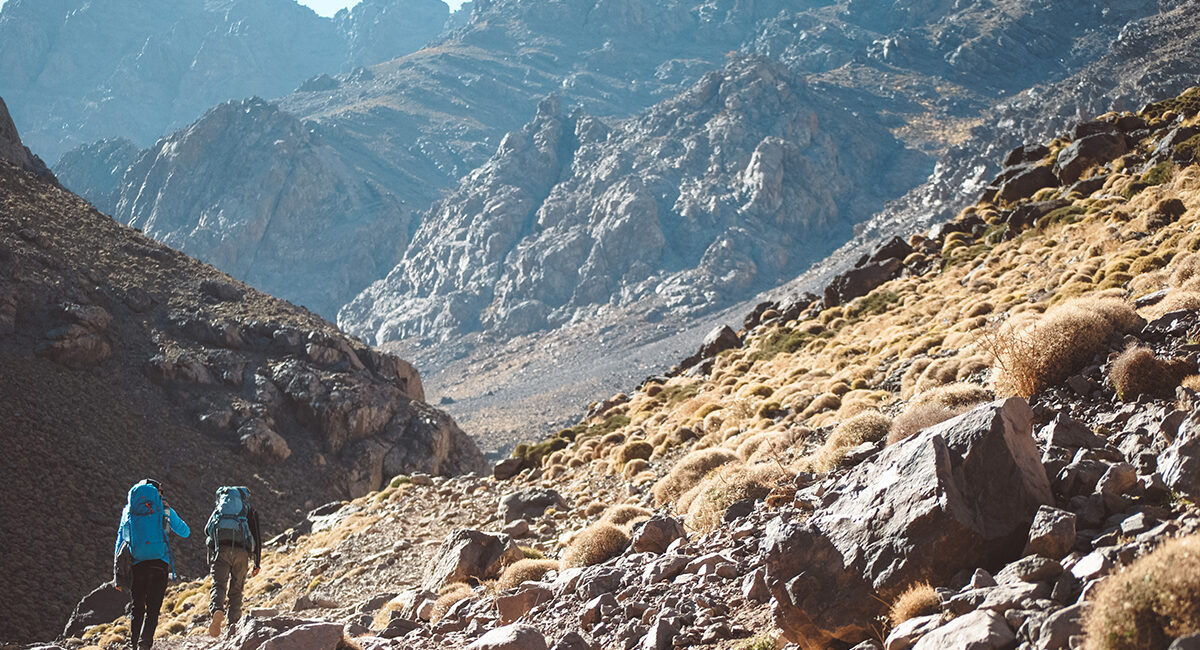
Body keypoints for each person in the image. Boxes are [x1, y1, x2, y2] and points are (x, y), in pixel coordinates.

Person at [114, 479, 189, 650]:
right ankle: (144, 645)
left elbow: (120, 542)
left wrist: (117, 575)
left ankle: (134, 645)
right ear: (158, 493)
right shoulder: (164, 508)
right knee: (153, 609)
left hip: (137, 564)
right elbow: (185, 532)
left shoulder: (129, 511)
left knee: (137, 607)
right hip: (159, 564)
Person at [205, 486, 261, 636]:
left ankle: (217, 610)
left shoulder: (220, 509)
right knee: (236, 589)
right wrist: (257, 562)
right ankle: (233, 626)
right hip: (242, 553)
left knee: (219, 584)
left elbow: (207, 530)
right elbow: (257, 535)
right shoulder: (248, 510)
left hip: (221, 551)